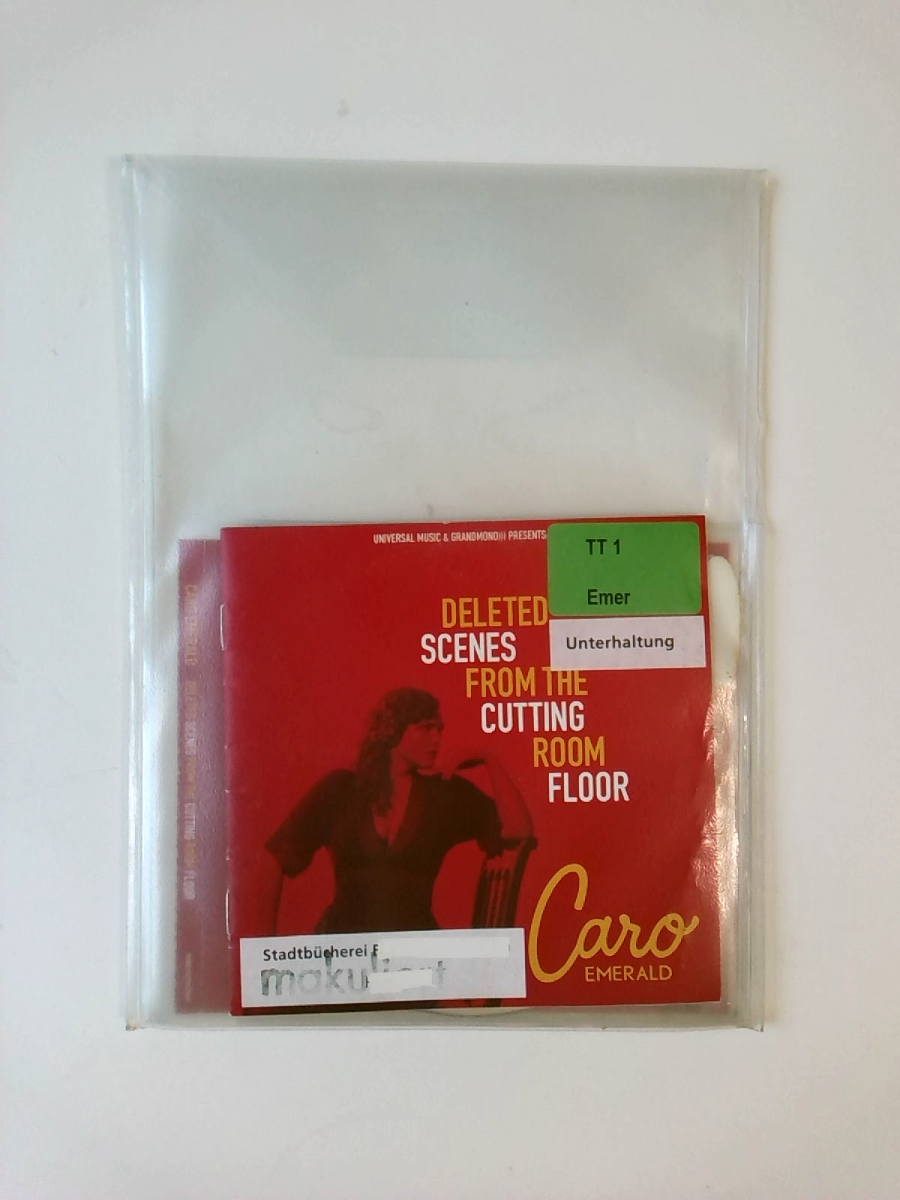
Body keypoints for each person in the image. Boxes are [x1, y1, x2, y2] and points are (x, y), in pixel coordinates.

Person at [256, 687, 533, 935]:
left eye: (440, 730)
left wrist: (487, 758)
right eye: (426, 728)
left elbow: (519, 831)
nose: (437, 739)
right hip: (343, 956)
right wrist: (265, 949)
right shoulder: (340, 789)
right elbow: (275, 857)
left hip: (413, 957)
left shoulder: (443, 795)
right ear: (393, 729)